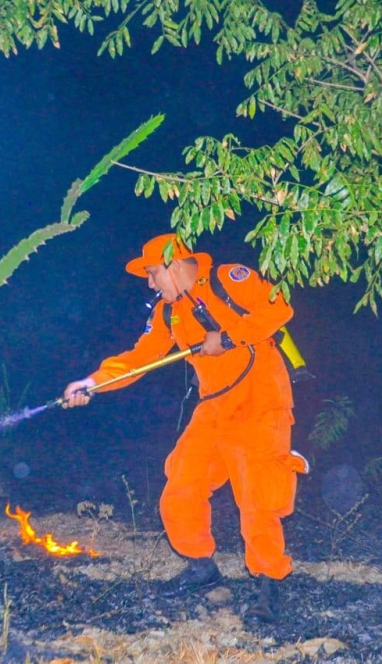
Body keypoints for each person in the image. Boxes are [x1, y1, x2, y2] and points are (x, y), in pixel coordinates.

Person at [61, 233, 308, 623]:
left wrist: (226, 338)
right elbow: (140, 357)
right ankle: (201, 566)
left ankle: (268, 583)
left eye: (153, 273)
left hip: (261, 403)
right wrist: (93, 383)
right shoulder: (167, 312)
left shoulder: (231, 279)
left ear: (174, 265)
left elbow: (279, 310)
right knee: (181, 484)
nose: (150, 282)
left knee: (258, 497)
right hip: (213, 407)